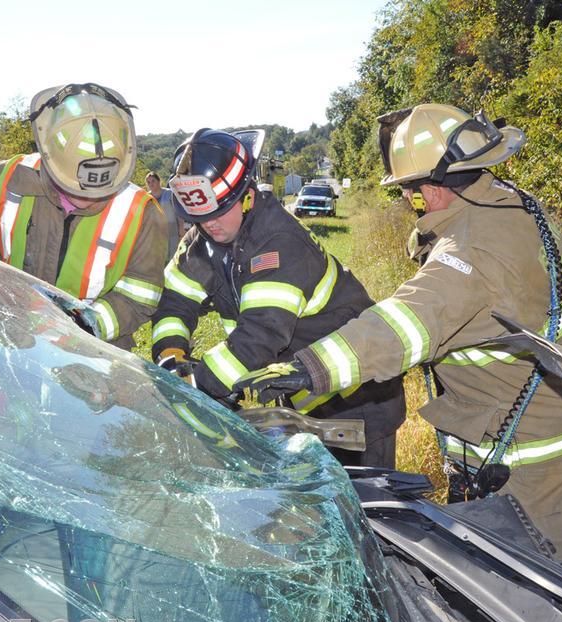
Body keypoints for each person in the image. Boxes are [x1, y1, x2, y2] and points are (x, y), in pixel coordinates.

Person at [238, 104, 562, 563]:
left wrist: (308, 368)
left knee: (549, 599)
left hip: (538, 465)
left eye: (409, 192)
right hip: (527, 440)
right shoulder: (504, 205)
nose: (408, 202)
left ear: (428, 190)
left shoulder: (474, 251)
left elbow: (406, 323)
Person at [151, 128, 405, 467]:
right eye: (199, 217)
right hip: (301, 400)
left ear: (245, 194)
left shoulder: (277, 241)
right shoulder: (205, 241)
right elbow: (175, 303)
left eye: (218, 211)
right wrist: (170, 356)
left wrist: (195, 383)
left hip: (355, 401)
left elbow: (259, 337)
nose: (209, 225)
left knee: (365, 511)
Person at [0, 83, 168, 349]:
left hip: (90, 359)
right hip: (6, 339)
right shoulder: (9, 178)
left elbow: (139, 296)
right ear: (50, 159)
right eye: (74, 188)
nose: (88, 199)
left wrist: (83, 326)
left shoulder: (143, 213)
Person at [145, 170, 184, 257]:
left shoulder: (170, 193)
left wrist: (181, 227)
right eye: (148, 182)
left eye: (153, 181)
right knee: (158, 256)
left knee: (173, 255)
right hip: (156, 231)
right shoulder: (147, 198)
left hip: (172, 229)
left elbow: (179, 211)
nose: (151, 184)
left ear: (159, 181)